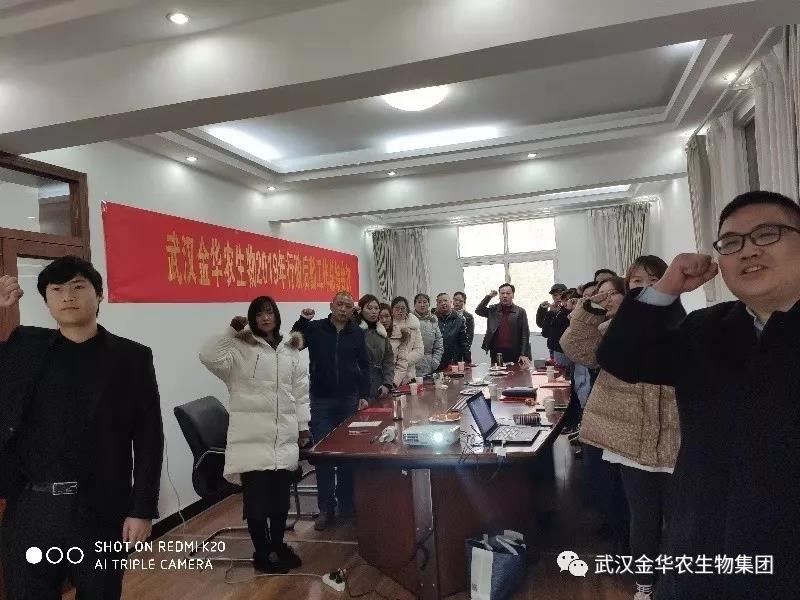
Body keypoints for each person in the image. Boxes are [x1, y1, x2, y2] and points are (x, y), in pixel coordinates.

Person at [597, 191, 800, 600]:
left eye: (766, 234)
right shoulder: (708, 329)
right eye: (731, 243)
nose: (748, 251)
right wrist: (667, 285)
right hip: (700, 550)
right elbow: (620, 357)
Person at [0, 257, 163, 600]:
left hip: (100, 509)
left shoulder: (132, 358)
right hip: (33, 507)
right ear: (46, 300)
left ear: (99, 294)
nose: (67, 296)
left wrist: (142, 509)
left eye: (78, 286)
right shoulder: (25, 347)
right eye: (56, 289)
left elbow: (149, 438)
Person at [561, 261, 683, 600]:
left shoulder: (685, 324)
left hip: (674, 439)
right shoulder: (613, 330)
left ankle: (675, 582)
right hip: (631, 439)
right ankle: (644, 586)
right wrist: (590, 309)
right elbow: (577, 348)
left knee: (677, 518)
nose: (645, 286)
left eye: (654, 279)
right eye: (637, 281)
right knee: (642, 517)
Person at [199, 296, 308, 574]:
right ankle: (262, 552)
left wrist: (303, 426)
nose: (265, 318)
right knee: (257, 505)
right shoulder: (239, 349)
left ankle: (278, 545)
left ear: (277, 316)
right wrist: (230, 331)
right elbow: (207, 355)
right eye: (258, 314)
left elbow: (300, 392)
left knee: (280, 502)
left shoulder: (290, 349)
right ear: (252, 318)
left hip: (282, 438)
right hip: (250, 440)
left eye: (269, 312)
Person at [293, 291, 369, 530]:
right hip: (321, 400)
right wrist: (302, 321)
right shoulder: (315, 328)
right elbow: (295, 343)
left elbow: (364, 365)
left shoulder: (357, 332)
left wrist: (364, 394)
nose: (343, 309)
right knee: (323, 455)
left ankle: (346, 502)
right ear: (331, 306)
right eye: (340, 304)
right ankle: (326, 508)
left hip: (348, 399)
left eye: (348, 306)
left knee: (346, 453)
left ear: (352, 310)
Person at [476, 283, 531, 365]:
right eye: (502, 293)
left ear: (513, 295)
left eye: (508, 293)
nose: (505, 296)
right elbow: (478, 310)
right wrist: (489, 296)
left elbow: (525, 334)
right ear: (499, 295)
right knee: (497, 372)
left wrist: (523, 354)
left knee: (515, 373)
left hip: (515, 351)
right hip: (496, 351)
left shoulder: (520, 312)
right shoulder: (493, 310)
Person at [353, 294, 394, 400]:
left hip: (379, 385)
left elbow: (388, 360)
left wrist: (387, 384)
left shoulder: (382, 333)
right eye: (369, 308)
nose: (374, 311)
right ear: (361, 310)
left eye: (376, 308)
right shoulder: (354, 330)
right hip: (358, 385)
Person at [388, 296, 424, 387]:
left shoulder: (414, 327)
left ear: (407, 310)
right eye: (397, 308)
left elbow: (419, 351)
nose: (400, 311)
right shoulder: (387, 326)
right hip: (390, 371)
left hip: (409, 374)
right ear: (392, 310)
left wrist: (403, 362)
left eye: (403, 308)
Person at [412, 293, 443, 377]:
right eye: (419, 302)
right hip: (411, 366)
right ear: (414, 304)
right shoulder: (409, 320)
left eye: (425, 302)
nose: (422, 305)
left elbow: (439, 345)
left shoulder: (433, 321)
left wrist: (435, 361)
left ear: (428, 304)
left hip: (428, 366)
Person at [434, 293, 467, 370]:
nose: (443, 303)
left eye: (445, 300)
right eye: (440, 302)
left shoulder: (460, 320)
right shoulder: (432, 319)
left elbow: (464, 342)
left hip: (453, 360)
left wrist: (467, 360)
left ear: (451, 302)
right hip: (436, 360)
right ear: (437, 304)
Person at [452, 291, 475, 364]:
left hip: (464, 349)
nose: (457, 302)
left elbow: (470, 335)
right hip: (450, 349)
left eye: (460, 301)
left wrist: (465, 348)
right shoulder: (448, 314)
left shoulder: (468, 317)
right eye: (455, 300)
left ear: (464, 302)